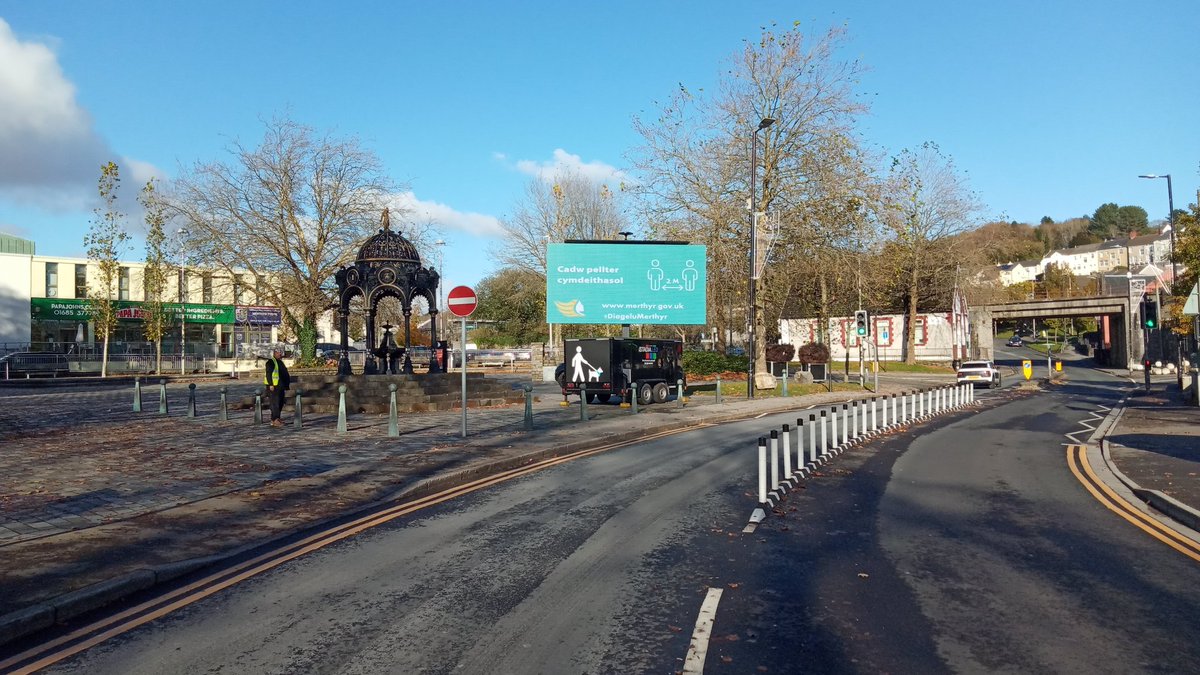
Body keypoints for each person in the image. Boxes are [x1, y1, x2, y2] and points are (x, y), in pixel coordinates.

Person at [264, 348, 291, 427]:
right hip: (274, 386)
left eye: (280, 353)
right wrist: (271, 384)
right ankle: (275, 419)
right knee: (274, 403)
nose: (280, 354)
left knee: (280, 403)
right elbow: (268, 373)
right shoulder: (271, 362)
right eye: (279, 353)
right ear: (275, 353)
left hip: (281, 386)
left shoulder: (280, 362)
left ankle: (276, 418)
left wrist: (286, 385)